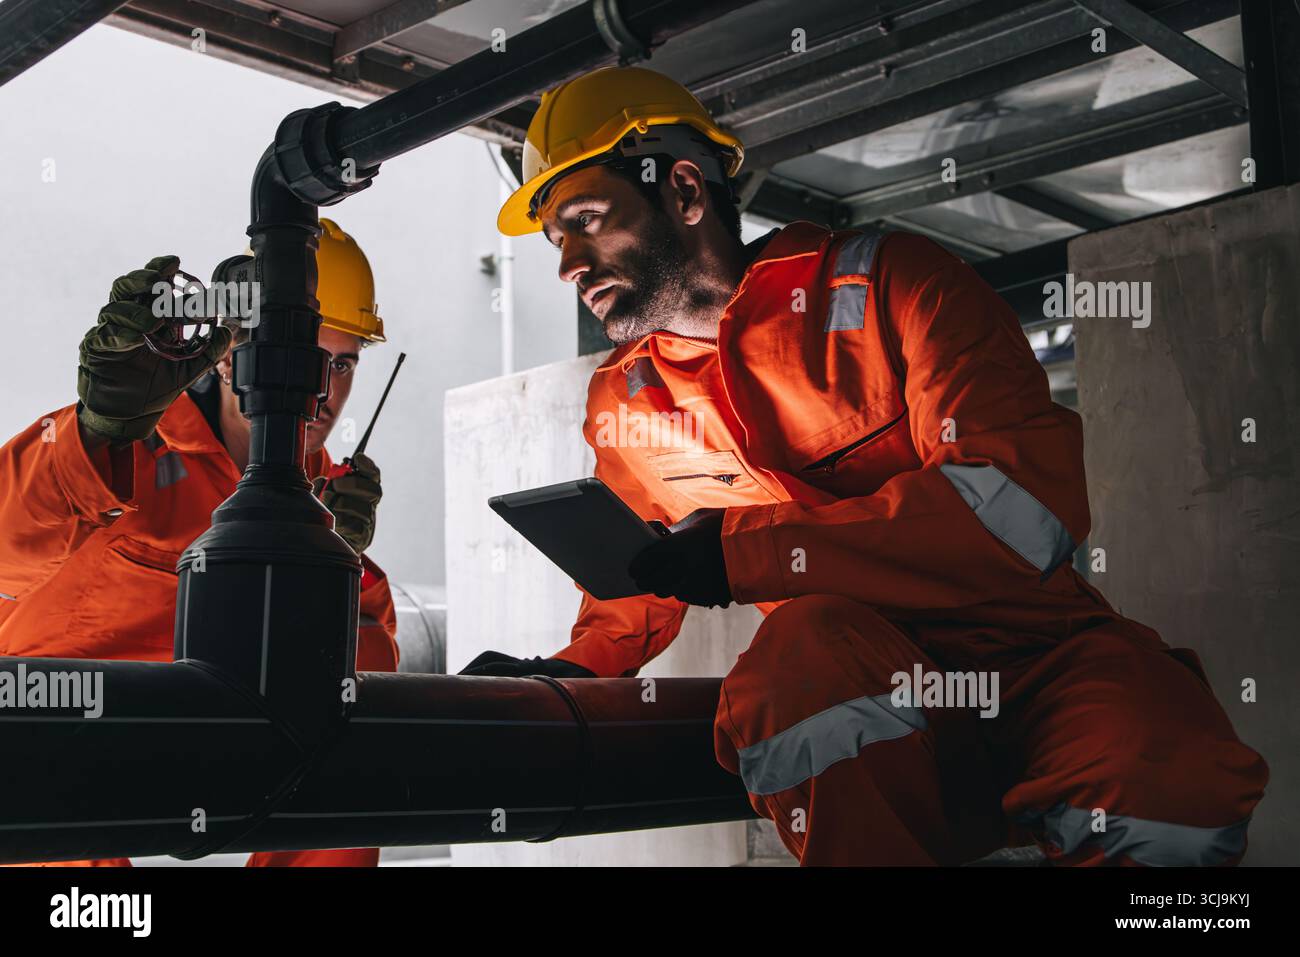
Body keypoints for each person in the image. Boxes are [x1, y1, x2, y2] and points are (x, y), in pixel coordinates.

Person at [462, 66, 1268, 866]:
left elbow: (1023, 507)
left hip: (1043, 662)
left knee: (1171, 767)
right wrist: (560, 678)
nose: (567, 262)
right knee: (797, 667)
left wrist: (743, 551)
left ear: (682, 189)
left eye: (587, 220)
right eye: (555, 240)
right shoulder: (626, 402)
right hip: (864, 686)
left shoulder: (893, 285)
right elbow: (632, 590)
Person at [0, 218, 397, 867]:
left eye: (344, 361)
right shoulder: (126, 453)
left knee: (360, 714)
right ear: (227, 349)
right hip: (50, 743)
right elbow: (4, 548)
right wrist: (98, 430)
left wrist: (335, 576)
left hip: (214, 748)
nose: (321, 390)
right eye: (303, 351)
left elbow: (360, 685)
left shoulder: (327, 509)